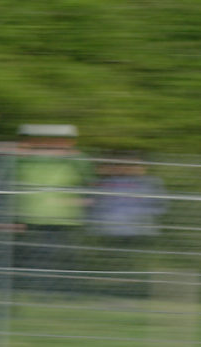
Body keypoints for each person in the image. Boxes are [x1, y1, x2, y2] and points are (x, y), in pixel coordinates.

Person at [10, 124, 91, 291]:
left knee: (62, 257)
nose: (50, 144)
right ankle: (33, 288)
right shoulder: (22, 160)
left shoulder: (75, 160)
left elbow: (88, 178)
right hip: (29, 217)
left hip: (63, 219)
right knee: (31, 256)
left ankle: (64, 289)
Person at [86, 154, 168, 295]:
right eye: (128, 165)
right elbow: (98, 203)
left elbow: (161, 206)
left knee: (134, 265)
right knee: (112, 265)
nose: (131, 168)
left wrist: (141, 215)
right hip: (110, 230)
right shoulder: (109, 182)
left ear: (144, 168)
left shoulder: (152, 183)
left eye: (136, 165)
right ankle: (110, 292)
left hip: (139, 232)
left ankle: (134, 292)